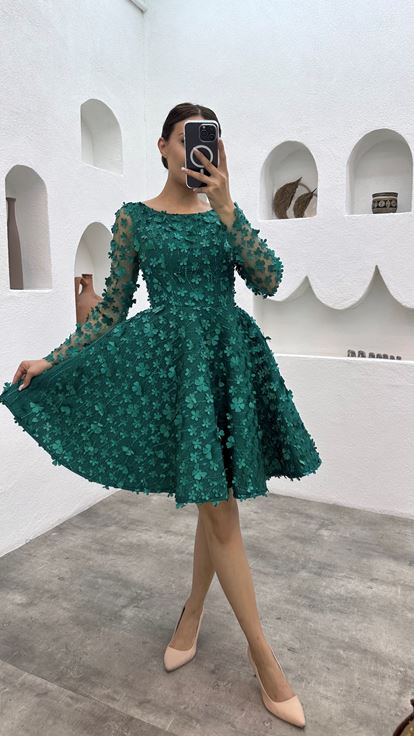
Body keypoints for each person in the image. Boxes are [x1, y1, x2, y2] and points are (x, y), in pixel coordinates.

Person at [0, 102, 322, 728]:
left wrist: (227, 207)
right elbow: (109, 309)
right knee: (218, 506)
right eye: (187, 139)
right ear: (163, 147)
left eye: (210, 142)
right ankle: (264, 659)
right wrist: (52, 359)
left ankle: (192, 615)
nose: (198, 151)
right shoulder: (135, 219)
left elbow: (269, 279)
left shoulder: (223, 213)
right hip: (177, 376)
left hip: (226, 364)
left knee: (215, 500)